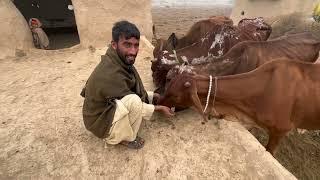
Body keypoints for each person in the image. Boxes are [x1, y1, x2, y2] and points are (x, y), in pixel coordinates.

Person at [80, 20, 174, 149]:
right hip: (99, 121)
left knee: (134, 99)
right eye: (127, 45)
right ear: (114, 44)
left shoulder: (118, 61)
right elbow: (130, 98)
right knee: (134, 101)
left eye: (136, 45)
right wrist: (159, 108)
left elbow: (126, 90)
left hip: (105, 108)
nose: (133, 51)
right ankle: (123, 138)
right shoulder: (110, 73)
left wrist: (152, 96)